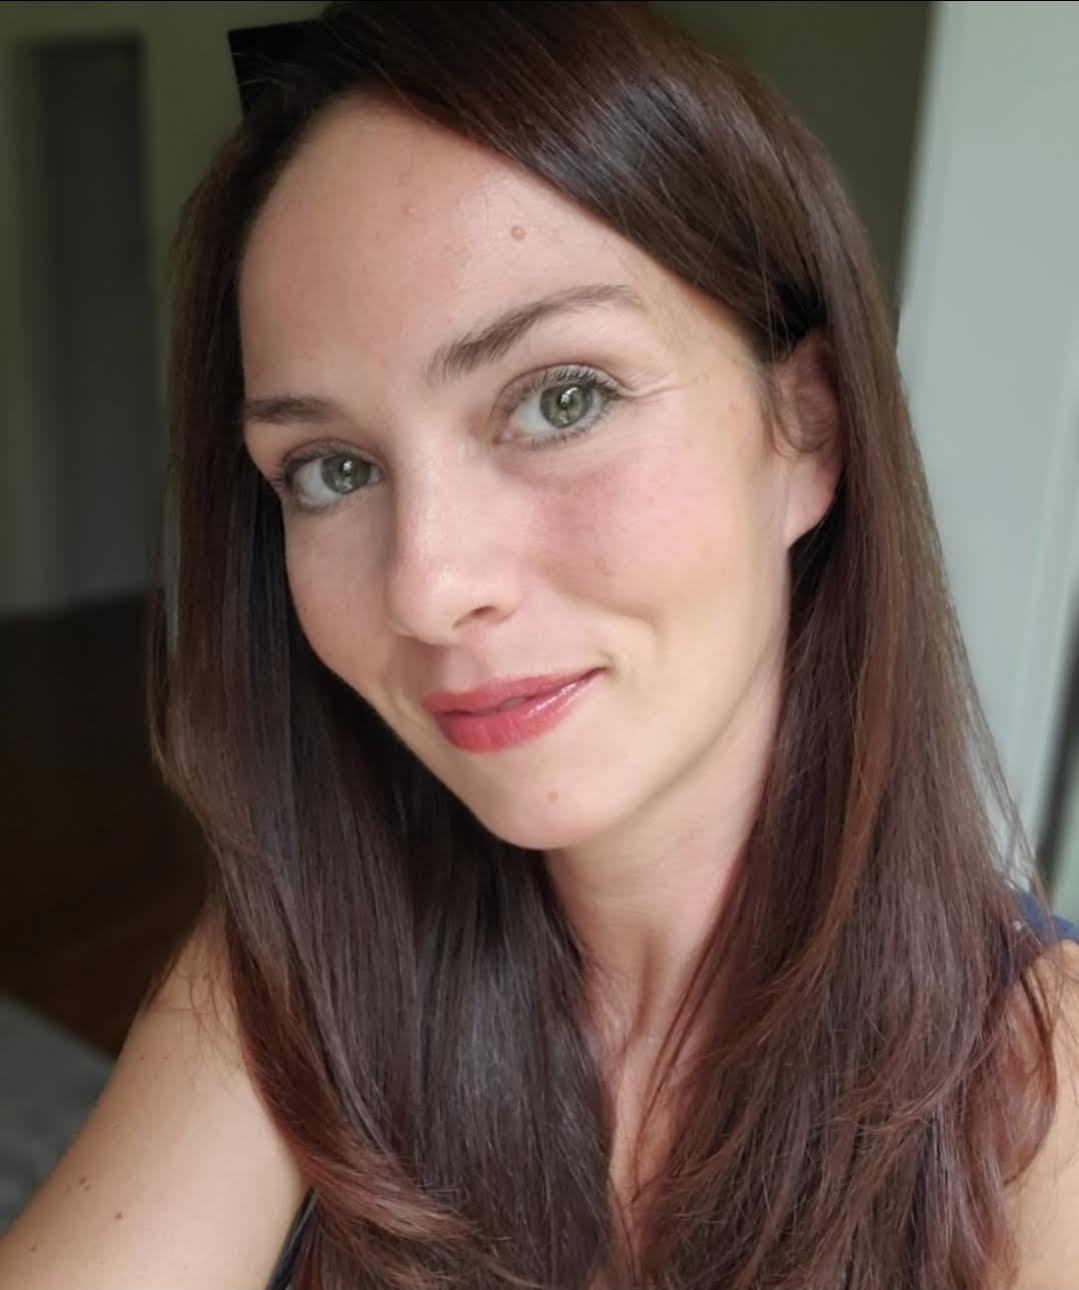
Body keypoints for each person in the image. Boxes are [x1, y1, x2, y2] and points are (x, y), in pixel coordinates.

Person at [2, 3, 1077, 1288]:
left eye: (561, 398)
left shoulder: (1034, 1095)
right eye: (330, 468)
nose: (428, 586)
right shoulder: (296, 973)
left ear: (808, 428)